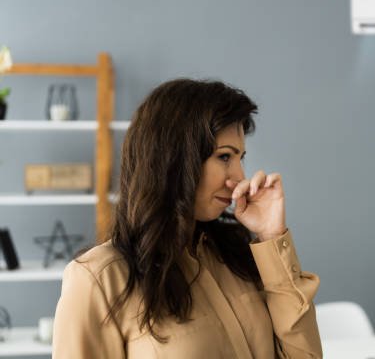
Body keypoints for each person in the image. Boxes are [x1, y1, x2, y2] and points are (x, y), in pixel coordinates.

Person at [52, 78, 322, 358]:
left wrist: (271, 236)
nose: (239, 177)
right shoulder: (99, 279)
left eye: (241, 158)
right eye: (225, 157)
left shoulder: (237, 257)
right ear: (174, 158)